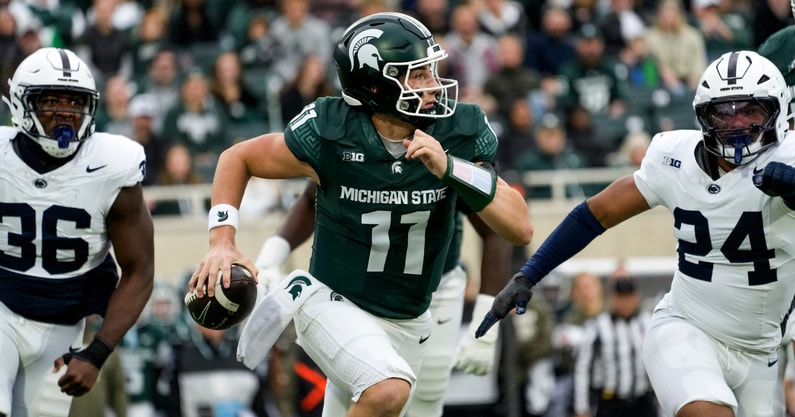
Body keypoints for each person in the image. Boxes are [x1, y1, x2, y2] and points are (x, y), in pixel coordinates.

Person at [189, 12, 532, 417]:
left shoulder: (458, 130)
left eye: (431, 71)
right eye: (417, 74)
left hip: (412, 316)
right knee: (387, 392)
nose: (433, 85)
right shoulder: (333, 130)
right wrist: (222, 241)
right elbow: (238, 157)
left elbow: (519, 228)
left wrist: (450, 168)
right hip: (337, 301)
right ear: (375, 85)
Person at [476, 49, 795, 417]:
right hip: (689, 330)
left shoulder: (787, 159)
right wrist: (528, 274)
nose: (737, 124)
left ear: (778, 111)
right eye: (724, 112)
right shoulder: (674, 159)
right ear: (704, 118)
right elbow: (593, 215)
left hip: (762, 354)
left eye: (750, 111)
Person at [255, 178, 513, 417]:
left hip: (432, 289)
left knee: (424, 402)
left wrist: (486, 321)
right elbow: (313, 193)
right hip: (360, 291)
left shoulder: (452, 140)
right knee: (355, 390)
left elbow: (501, 227)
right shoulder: (351, 138)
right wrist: (272, 255)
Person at [0, 47, 154, 415]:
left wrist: (98, 351)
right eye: (51, 101)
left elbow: (139, 272)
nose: (66, 113)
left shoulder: (113, 165)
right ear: (21, 104)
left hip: (64, 327)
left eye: (75, 102)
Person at [572, 277, 656, 417]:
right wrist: (581, 408)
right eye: (620, 297)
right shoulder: (597, 326)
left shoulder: (648, 323)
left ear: (637, 297)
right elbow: (582, 367)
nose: (625, 303)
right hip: (610, 402)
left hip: (643, 401)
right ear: (612, 298)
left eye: (628, 297)